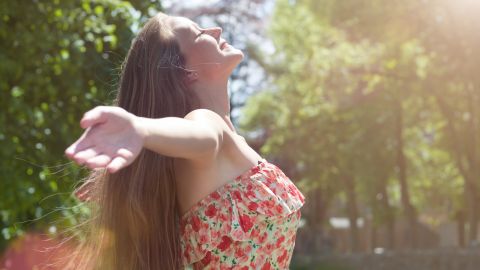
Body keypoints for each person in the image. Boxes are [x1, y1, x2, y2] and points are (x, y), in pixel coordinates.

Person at [64, 12, 305, 270]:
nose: (215, 29)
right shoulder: (206, 123)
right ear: (186, 72)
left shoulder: (227, 142)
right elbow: (203, 137)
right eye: (200, 33)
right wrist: (139, 128)